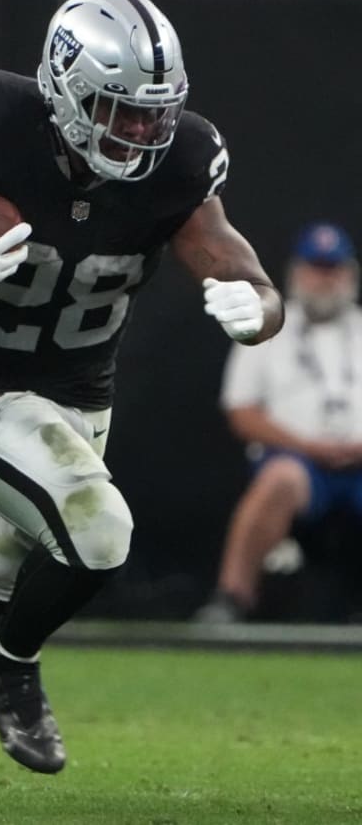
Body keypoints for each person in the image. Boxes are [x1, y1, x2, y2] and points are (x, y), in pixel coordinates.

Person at [0, 0, 285, 806]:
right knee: (101, 530)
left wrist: (260, 309)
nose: (143, 133)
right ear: (66, 91)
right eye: (122, 111)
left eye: (156, 114)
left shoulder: (183, 161)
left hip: (81, 394)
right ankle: (13, 660)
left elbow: (240, 267)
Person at [194, 222, 362, 624]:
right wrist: (308, 447)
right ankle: (232, 597)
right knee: (279, 480)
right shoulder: (268, 325)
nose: (325, 279)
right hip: (297, 462)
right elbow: (242, 411)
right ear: (297, 272)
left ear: (350, 274)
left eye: (333, 269)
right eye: (316, 268)